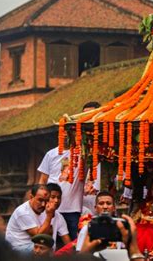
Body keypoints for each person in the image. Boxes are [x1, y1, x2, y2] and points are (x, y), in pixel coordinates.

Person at [38, 102, 101, 241]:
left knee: (71, 243)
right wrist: (41, 202)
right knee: (48, 242)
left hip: (72, 209)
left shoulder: (84, 153)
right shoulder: (51, 154)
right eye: (64, 132)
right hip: (51, 208)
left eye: (70, 131)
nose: (67, 135)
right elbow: (42, 181)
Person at [6, 185, 56, 255]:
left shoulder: (45, 209)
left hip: (32, 245)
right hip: (17, 248)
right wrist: (49, 216)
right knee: (44, 249)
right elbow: (39, 236)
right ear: (31, 197)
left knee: (50, 247)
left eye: (46, 201)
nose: (43, 204)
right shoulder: (23, 212)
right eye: (40, 200)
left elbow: (49, 233)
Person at [41, 183, 71, 249]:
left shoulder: (59, 217)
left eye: (59, 197)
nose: (56, 201)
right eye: (53, 197)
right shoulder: (38, 213)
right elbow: (39, 238)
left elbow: (67, 242)